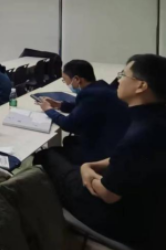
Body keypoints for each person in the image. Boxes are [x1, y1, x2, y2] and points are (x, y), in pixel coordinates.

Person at [35, 54, 166, 249]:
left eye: (123, 75)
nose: (119, 80)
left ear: (141, 86)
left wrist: (85, 170)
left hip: (125, 222)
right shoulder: (155, 120)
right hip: (151, 212)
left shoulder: (139, 135)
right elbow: (129, 159)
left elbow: (108, 194)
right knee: (68, 153)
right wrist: (91, 166)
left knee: (47, 156)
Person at [37, 60, 130, 164]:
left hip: (105, 151)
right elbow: (86, 108)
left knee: (45, 155)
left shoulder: (90, 95)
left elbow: (68, 125)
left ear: (77, 79)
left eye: (65, 80)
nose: (66, 84)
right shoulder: (101, 88)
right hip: (115, 140)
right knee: (68, 140)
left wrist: (48, 110)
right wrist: (59, 105)